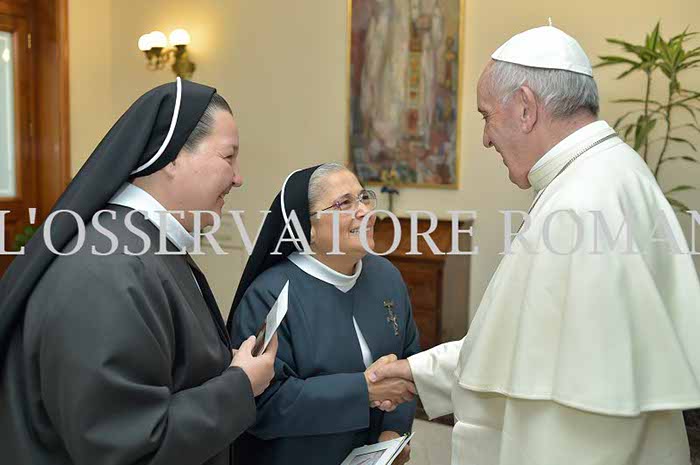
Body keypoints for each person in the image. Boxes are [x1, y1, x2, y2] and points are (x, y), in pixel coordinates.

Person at [369, 26, 700, 464]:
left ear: (525, 107)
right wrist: (416, 372)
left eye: (486, 115)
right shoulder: (607, 174)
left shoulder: (584, 202)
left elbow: (585, 411)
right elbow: (518, 344)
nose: (486, 138)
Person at [0, 78, 277, 465]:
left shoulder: (141, 245)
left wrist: (224, 366)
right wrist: (240, 385)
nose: (238, 177)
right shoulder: (109, 269)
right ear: (173, 158)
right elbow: (126, 448)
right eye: (228, 157)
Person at [228, 163, 419, 465]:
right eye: (344, 203)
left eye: (364, 197)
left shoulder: (386, 276)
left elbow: (409, 362)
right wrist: (363, 391)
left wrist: (392, 435)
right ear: (309, 228)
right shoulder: (269, 295)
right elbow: (264, 405)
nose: (364, 211)